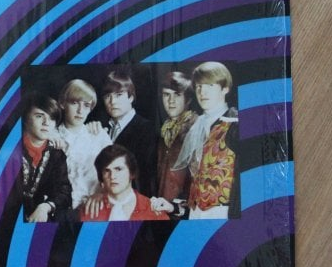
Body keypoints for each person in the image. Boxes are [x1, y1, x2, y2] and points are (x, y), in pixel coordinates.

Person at [172, 62, 239, 220]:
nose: (202, 92)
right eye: (199, 86)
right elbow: (195, 180)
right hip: (195, 213)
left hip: (223, 213)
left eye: (210, 85)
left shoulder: (236, 124)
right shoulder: (195, 126)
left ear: (225, 89)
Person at [56, 79, 112, 209]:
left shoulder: (98, 135)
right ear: (62, 103)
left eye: (86, 105)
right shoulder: (53, 136)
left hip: (96, 206)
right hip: (62, 209)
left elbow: (114, 170)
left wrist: (102, 193)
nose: (80, 111)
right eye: (75, 103)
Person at [100, 69, 157, 197]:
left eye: (119, 95)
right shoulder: (104, 128)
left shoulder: (146, 129)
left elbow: (147, 178)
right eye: (108, 96)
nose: (113, 102)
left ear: (131, 97)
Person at [19, 93, 72, 222]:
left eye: (51, 118)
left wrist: (45, 207)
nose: (46, 123)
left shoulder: (56, 155)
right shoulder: (9, 150)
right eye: (39, 116)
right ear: (25, 119)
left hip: (39, 216)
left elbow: (64, 192)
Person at [80, 144, 168, 221]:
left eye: (118, 169)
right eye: (107, 171)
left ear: (132, 173)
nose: (112, 176)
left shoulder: (153, 210)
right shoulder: (91, 209)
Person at [155, 71, 198, 203]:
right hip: (164, 205)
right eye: (166, 95)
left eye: (177, 95)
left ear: (188, 99)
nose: (171, 101)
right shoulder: (165, 129)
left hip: (186, 207)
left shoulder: (195, 127)